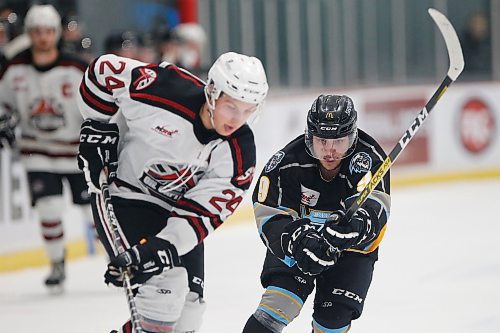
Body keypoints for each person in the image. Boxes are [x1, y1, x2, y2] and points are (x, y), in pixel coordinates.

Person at [76, 50, 268, 332]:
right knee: (166, 289)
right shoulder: (162, 89)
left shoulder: (239, 152)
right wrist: (95, 126)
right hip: (125, 194)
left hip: (176, 211)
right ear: (213, 92)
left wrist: (162, 247)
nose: (238, 118)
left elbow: (202, 213)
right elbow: (101, 72)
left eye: (248, 110)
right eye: (231, 106)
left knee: (189, 310)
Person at [242, 94, 391, 332]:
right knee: (274, 310)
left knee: (331, 322)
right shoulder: (287, 162)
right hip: (301, 246)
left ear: (352, 137)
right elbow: (269, 212)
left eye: (339, 141)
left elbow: (375, 205)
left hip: (349, 253)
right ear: (310, 136)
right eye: (322, 140)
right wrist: (296, 240)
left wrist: (356, 225)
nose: (330, 150)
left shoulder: (369, 158)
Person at [0, 4, 93, 290]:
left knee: (93, 212)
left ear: (56, 33)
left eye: (48, 31)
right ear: (29, 33)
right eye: (37, 31)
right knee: (49, 209)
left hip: (77, 153)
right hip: (36, 152)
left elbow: (96, 105)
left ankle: (116, 260)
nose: (43, 37)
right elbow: (3, 104)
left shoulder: (76, 67)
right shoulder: (14, 69)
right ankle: (57, 262)